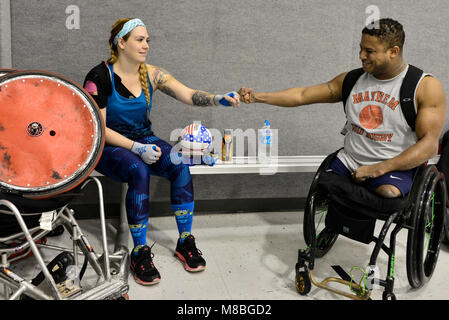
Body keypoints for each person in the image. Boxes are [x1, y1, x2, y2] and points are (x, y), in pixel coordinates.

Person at [83, 18, 239, 286]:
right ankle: (140, 252)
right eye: (139, 40)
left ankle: (185, 241)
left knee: (179, 164)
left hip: (143, 138)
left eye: (147, 40)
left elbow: (188, 94)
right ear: (121, 43)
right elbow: (99, 127)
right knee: (138, 169)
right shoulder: (98, 78)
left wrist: (218, 99)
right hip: (109, 146)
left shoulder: (152, 74)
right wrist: (136, 148)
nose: (146, 45)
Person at [239, 18, 446, 199]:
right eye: (361, 48)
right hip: (350, 161)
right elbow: (302, 95)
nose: (361, 55)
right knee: (324, 186)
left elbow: (429, 145)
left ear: (393, 52)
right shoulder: (351, 80)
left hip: (393, 166)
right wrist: (257, 97)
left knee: (387, 193)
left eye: (370, 51)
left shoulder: (424, 87)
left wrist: (378, 168)